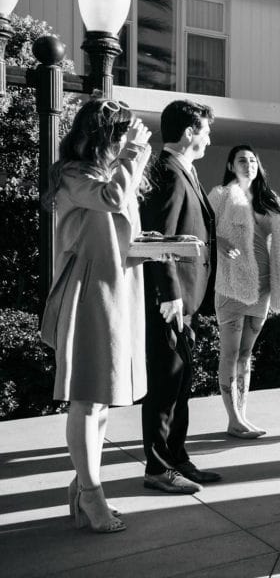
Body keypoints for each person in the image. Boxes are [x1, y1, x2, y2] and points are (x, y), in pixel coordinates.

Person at [39, 99, 152, 533]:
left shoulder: (105, 171)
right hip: (88, 291)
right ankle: (90, 494)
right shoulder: (73, 173)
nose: (128, 140)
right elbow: (113, 198)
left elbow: (122, 225)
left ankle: (83, 485)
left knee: (101, 398)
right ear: (103, 134)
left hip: (114, 287)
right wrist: (131, 156)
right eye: (121, 132)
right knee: (87, 397)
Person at [139, 99, 220, 494]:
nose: (209, 137)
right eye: (205, 129)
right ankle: (157, 469)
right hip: (173, 301)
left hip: (190, 300)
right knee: (165, 385)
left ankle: (177, 457)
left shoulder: (183, 170)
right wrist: (170, 295)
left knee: (181, 383)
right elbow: (158, 239)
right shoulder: (168, 173)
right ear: (189, 132)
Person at [208, 145, 280, 439]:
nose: (248, 164)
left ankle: (242, 415)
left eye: (253, 160)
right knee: (230, 353)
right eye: (242, 160)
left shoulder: (269, 199)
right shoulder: (220, 196)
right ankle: (233, 420)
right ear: (231, 165)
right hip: (232, 287)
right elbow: (202, 230)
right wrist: (220, 243)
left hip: (263, 289)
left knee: (246, 354)